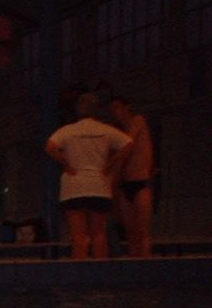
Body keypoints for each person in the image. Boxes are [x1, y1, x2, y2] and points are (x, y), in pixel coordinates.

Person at [44, 92, 131, 260]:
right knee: (99, 234)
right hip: (99, 185)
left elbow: (50, 146)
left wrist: (65, 164)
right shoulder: (105, 130)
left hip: (73, 186)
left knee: (79, 237)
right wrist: (110, 164)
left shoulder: (68, 131)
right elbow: (128, 143)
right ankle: (100, 274)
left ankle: (79, 276)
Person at [108, 96, 155, 258]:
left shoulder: (138, 121)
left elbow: (127, 145)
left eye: (117, 108)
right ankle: (134, 265)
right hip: (125, 183)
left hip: (140, 181)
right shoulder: (119, 132)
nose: (115, 113)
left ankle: (146, 266)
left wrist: (109, 163)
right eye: (113, 110)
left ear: (127, 107)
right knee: (130, 232)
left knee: (143, 231)